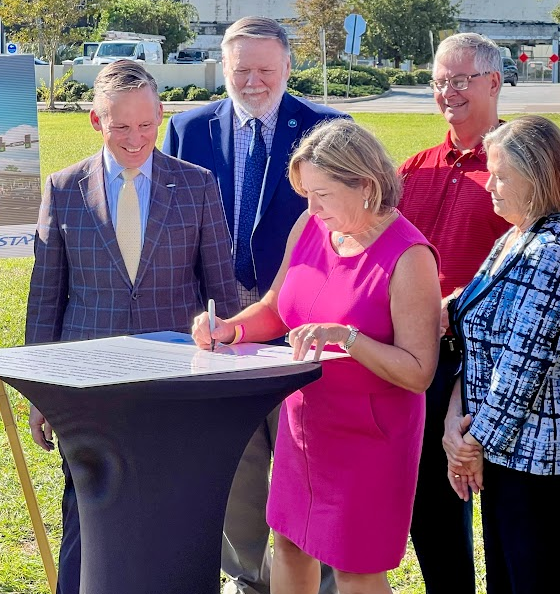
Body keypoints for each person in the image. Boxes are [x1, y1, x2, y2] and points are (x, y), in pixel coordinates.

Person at [191, 119, 441, 594]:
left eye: (322, 194)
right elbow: (276, 308)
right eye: (307, 194)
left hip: (370, 439)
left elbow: (418, 371)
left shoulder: (409, 257)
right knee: (288, 544)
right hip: (303, 426)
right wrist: (230, 329)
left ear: (365, 186)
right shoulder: (310, 226)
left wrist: (347, 337)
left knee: (354, 568)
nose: (311, 207)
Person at [25, 61, 239, 594]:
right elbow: (46, 296)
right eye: (120, 126)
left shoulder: (196, 185)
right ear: (96, 120)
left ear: (161, 115)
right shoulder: (64, 187)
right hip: (87, 382)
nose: (135, 138)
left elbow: (222, 294)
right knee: (87, 509)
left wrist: (224, 374)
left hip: (175, 379)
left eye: (145, 124)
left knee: (175, 509)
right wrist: (39, 391)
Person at [162, 16, 346, 594]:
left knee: (307, 463)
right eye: (242, 69)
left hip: (300, 327)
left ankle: (320, 582)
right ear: (224, 66)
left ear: (288, 67)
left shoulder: (328, 130)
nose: (253, 81)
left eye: (266, 69)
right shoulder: (187, 129)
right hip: (217, 326)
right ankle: (247, 577)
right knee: (235, 462)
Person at [443, 115, 560, 594]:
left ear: (538, 178)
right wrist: (459, 425)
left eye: (501, 176)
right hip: (499, 452)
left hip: (534, 461)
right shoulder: (512, 239)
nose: (489, 186)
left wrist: (470, 445)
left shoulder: (551, 252)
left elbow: (522, 366)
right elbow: (475, 336)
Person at [396, 32, 511, 593]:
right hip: (423, 360)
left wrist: (458, 301)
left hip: (496, 363)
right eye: (439, 81)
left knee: (506, 510)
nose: (448, 92)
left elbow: (536, 262)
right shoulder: (414, 168)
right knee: (433, 508)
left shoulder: (517, 165)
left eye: (461, 80)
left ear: (494, 82)